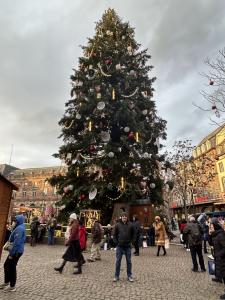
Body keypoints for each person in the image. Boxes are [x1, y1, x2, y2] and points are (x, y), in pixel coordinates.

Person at [0, 214, 26, 292]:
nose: (13, 222)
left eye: (15, 221)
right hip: (15, 250)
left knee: (11, 267)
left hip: (16, 251)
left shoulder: (19, 228)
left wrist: (11, 254)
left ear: (18, 221)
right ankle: (7, 282)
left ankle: (12, 286)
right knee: (6, 265)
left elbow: (16, 243)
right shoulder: (19, 227)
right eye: (14, 221)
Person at [113, 212, 135, 282]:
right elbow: (114, 235)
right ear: (121, 218)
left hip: (128, 246)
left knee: (129, 261)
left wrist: (132, 242)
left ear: (127, 218)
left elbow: (134, 235)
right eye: (123, 217)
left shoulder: (131, 225)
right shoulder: (117, 225)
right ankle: (116, 276)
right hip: (120, 246)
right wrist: (116, 242)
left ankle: (129, 275)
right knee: (118, 261)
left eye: (125, 217)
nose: (124, 218)